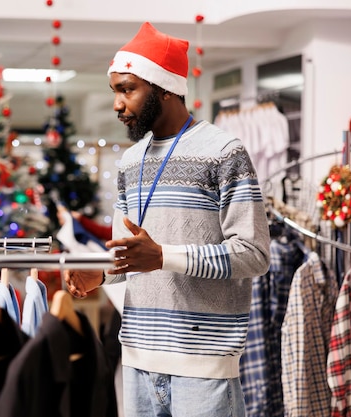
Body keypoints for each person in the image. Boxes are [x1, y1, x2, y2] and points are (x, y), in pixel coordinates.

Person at [64, 22, 271, 417]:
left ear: (164, 88)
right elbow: (132, 257)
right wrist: (102, 274)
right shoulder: (129, 162)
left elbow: (254, 254)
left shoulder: (224, 152)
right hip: (138, 359)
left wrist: (164, 257)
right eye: (115, 91)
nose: (117, 104)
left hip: (203, 364)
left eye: (127, 89)